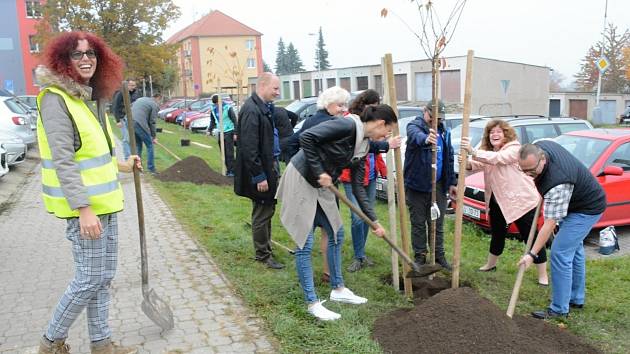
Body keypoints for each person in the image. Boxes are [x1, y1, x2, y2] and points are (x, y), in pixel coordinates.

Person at [35, 31, 141, 354]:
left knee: (103, 277)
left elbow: (98, 151)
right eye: (77, 54)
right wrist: (83, 209)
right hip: (86, 211)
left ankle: (102, 343)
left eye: (91, 54)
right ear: (63, 60)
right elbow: (64, 160)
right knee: (88, 279)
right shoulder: (56, 99)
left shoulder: (90, 98)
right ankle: (50, 342)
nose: (86, 60)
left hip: (105, 205)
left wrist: (122, 165)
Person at [276, 103, 396, 321]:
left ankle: (338, 289)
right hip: (303, 177)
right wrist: (319, 170)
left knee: (336, 233)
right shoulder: (346, 126)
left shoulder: (365, 145)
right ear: (380, 123)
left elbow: (359, 188)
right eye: (388, 131)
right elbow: (307, 138)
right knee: (305, 242)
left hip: (322, 184)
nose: (387, 136)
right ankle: (312, 303)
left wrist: (374, 220)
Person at [517, 141, 605, 319]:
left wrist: (532, 254)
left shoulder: (557, 183)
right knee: (575, 249)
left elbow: (549, 225)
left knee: (560, 252)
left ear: (542, 159)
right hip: (573, 200)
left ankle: (559, 309)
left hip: (586, 208)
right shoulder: (540, 145)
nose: (528, 175)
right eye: (524, 171)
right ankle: (575, 298)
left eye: (532, 171)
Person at [461, 119, 548, 285]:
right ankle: (491, 264)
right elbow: (480, 163)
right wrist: (466, 162)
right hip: (498, 199)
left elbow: (499, 159)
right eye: (491, 132)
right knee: (497, 233)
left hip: (520, 201)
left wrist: (473, 150)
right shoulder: (489, 152)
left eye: (498, 132)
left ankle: (543, 275)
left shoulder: (514, 149)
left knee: (530, 237)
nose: (494, 134)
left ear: (506, 134)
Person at [339, 89, 401, 272]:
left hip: (369, 174)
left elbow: (373, 153)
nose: (375, 110)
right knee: (358, 218)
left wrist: (385, 171)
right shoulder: (355, 124)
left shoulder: (373, 130)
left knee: (368, 215)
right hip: (352, 175)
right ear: (365, 104)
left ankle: (362, 253)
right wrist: (385, 143)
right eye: (374, 106)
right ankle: (358, 256)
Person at [234, 73, 284, 269]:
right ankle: (263, 255)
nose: (278, 93)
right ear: (262, 86)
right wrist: (259, 176)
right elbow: (248, 147)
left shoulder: (263, 108)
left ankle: (266, 249)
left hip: (268, 167)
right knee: (262, 212)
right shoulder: (252, 110)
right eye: (275, 88)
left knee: (267, 209)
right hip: (260, 172)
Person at [403, 100, 457, 270]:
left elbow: (448, 158)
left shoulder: (444, 131)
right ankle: (420, 255)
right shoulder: (415, 126)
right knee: (418, 223)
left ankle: (439, 255)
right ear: (424, 111)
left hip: (439, 186)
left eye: (439, 118)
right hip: (417, 186)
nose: (436, 121)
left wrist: (452, 183)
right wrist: (426, 139)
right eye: (432, 117)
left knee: (437, 222)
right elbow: (414, 136)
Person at [131, 93, 161, 175]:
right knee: (150, 145)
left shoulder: (142, 99)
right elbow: (152, 122)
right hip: (139, 123)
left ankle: (137, 168)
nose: (159, 103)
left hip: (130, 122)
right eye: (160, 101)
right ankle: (151, 169)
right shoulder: (154, 105)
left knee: (138, 145)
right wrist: (154, 136)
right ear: (157, 98)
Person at [209, 94, 237, 176]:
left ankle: (232, 171)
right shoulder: (213, 109)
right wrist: (209, 130)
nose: (216, 105)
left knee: (229, 152)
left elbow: (235, 121)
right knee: (223, 152)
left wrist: (235, 133)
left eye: (217, 103)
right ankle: (228, 169)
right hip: (220, 132)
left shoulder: (228, 108)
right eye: (215, 104)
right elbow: (212, 121)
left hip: (229, 131)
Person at [112, 78, 139, 159]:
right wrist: (117, 121)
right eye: (131, 85)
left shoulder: (135, 94)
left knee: (132, 138)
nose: (133, 87)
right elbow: (115, 107)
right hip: (122, 118)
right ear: (126, 85)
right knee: (126, 138)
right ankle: (127, 158)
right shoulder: (120, 94)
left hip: (131, 119)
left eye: (134, 85)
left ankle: (134, 156)